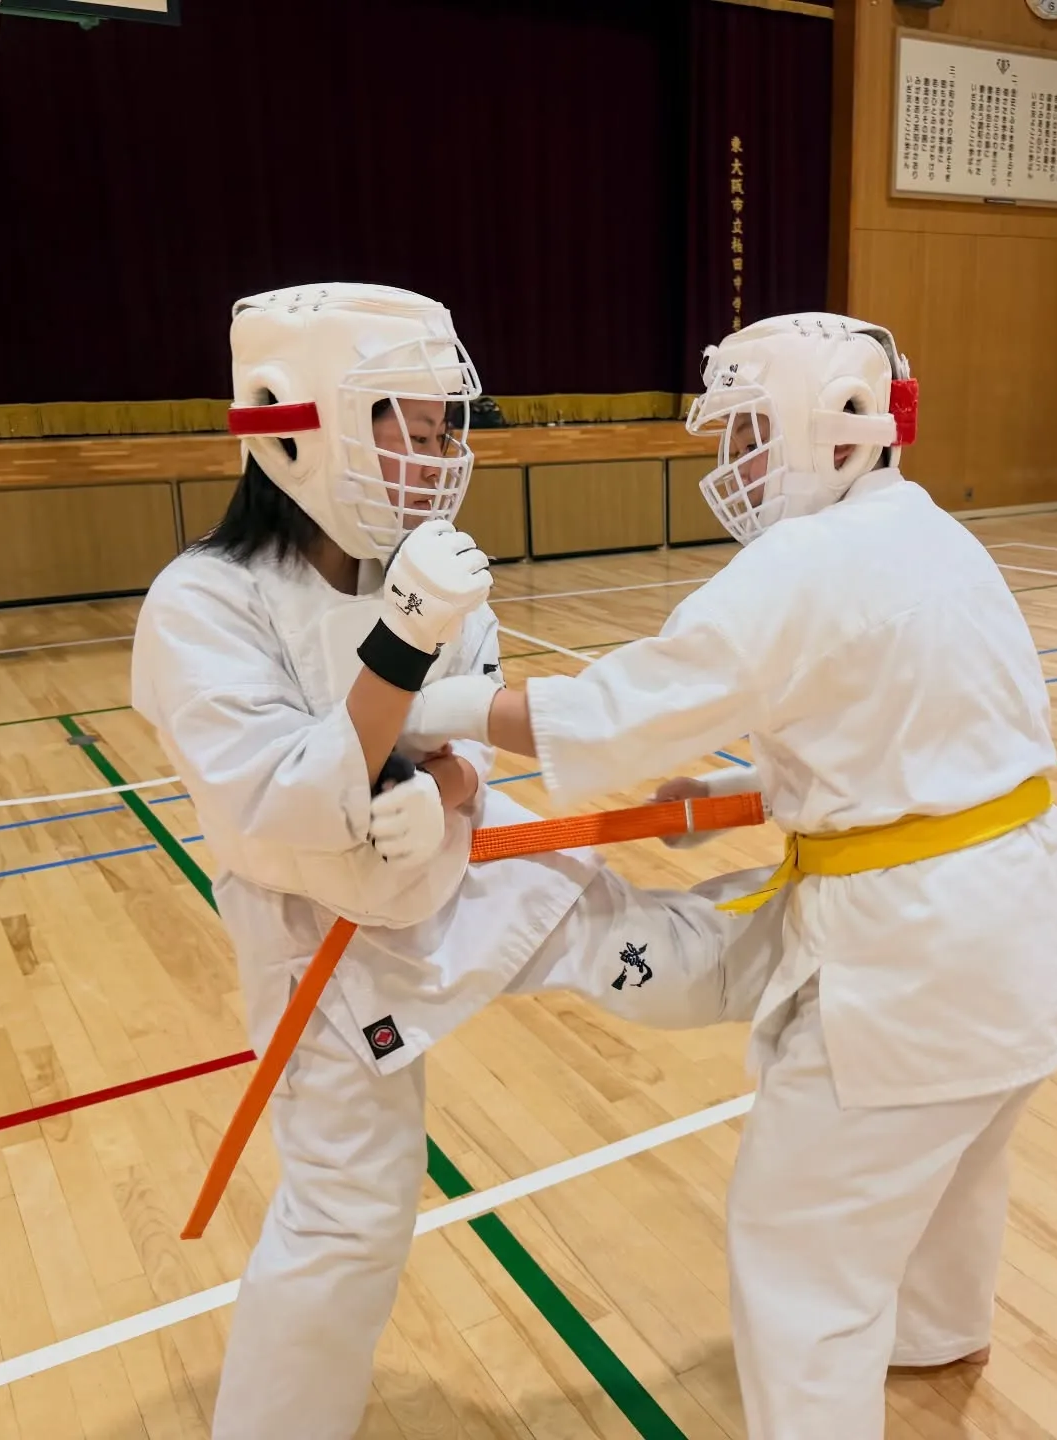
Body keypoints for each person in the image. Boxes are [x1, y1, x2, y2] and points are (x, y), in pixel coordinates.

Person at [399, 311, 1057, 1439]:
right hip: (1022, 925)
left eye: (751, 436)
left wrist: (427, 702)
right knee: (959, 1163)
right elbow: (910, 736)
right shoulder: (928, 533)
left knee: (800, 1247)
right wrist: (749, 797)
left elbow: (616, 715)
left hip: (917, 958)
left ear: (833, 432)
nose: (734, 468)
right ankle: (936, 1332)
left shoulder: (808, 560)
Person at [129, 284, 776, 1440]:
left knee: (675, 961)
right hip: (321, 951)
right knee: (350, 1217)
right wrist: (403, 651)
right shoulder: (202, 606)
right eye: (407, 430)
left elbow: (452, 733)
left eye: (443, 433)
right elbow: (291, 808)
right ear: (296, 424)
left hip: (465, 880)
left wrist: (448, 792)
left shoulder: (425, 572)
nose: (433, 463)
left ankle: (835, 951)